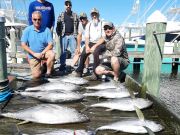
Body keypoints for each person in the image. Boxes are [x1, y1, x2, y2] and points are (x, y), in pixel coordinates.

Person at [74, 8, 106, 80]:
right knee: (83, 53)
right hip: (91, 43)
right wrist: (87, 46)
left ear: (98, 15)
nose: (94, 16)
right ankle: (80, 71)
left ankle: (95, 73)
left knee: (96, 52)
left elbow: (103, 38)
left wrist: (95, 46)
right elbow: (86, 37)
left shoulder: (102, 24)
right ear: (91, 15)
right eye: (93, 14)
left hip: (100, 43)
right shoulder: (89, 24)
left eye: (95, 14)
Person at [21, 11, 55, 79]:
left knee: (52, 54)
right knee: (36, 76)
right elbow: (23, 44)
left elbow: (50, 44)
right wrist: (34, 54)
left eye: (39, 19)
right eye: (35, 19)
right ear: (32, 19)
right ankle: (43, 67)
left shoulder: (46, 30)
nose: (37, 21)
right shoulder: (27, 30)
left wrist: (42, 53)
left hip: (44, 53)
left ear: (41, 20)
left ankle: (48, 73)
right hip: (33, 55)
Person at [56, 0, 79, 73]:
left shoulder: (75, 15)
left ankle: (75, 66)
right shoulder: (61, 14)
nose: (68, 6)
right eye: (66, 4)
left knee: (74, 52)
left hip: (72, 35)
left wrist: (77, 34)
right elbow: (58, 24)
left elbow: (78, 25)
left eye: (69, 5)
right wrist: (58, 31)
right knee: (63, 51)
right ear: (64, 6)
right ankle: (62, 65)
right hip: (64, 36)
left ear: (71, 6)